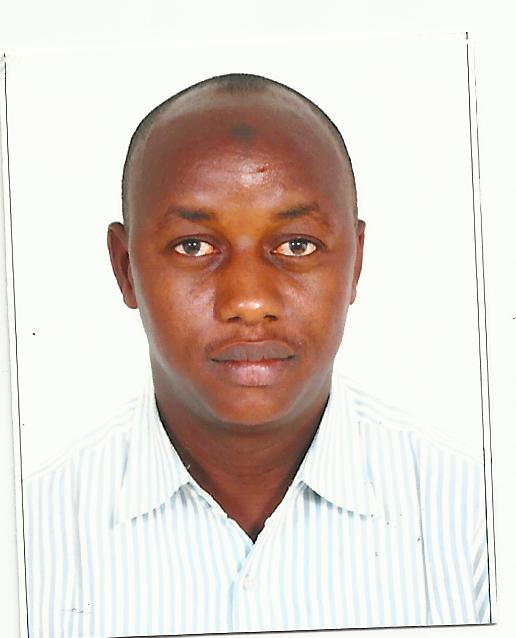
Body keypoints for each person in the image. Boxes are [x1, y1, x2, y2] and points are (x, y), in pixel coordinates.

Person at [23, 73, 491, 638]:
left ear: (356, 263)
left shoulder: (479, 527)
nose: (248, 301)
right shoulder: (27, 544)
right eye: (193, 246)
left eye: (297, 245)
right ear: (126, 269)